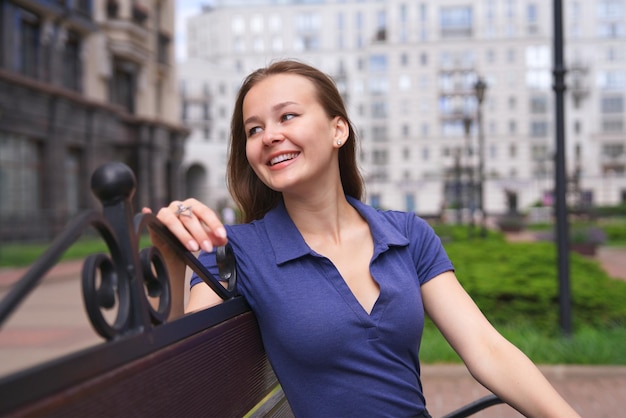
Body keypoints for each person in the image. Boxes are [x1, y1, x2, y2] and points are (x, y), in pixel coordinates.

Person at [145, 60, 580, 417]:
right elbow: (184, 376)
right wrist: (171, 256)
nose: (269, 135)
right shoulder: (236, 250)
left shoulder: (407, 234)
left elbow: (487, 349)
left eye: (287, 115)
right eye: (253, 129)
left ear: (339, 130)